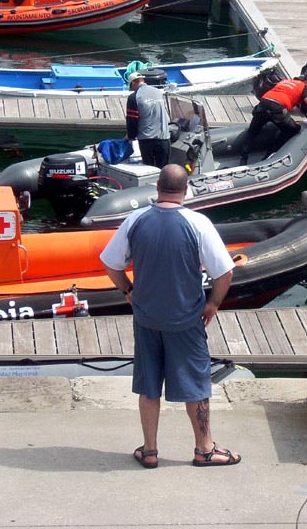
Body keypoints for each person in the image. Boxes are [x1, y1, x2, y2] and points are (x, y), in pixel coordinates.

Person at [100, 164, 241, 470]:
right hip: (186, 319)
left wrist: (128, 290)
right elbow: (225, 272)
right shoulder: (197, 223)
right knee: (197, 384)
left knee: (148, 386)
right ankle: (204, 449)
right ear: (186, 189)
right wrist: (213, 304)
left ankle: (149, 450)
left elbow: (110, 263)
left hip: (147, 318)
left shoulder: (135, 220)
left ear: (157, 188)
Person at [237, 76, 307, 165]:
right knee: (291, 130)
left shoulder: (284, 82)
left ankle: (243, 158)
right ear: (305, 81)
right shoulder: (303, 86)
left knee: (252, 132)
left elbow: (284, 95)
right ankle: (269, 156)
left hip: (263, 103)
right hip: (277, 108)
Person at [125, 72, 170, 167]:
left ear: (133, 83)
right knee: (163, 169)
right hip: (164, 138)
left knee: (149, 170)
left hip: (146, 140)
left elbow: (132, 121)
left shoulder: (133, 97)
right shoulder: (158, 92)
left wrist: (130, 136)